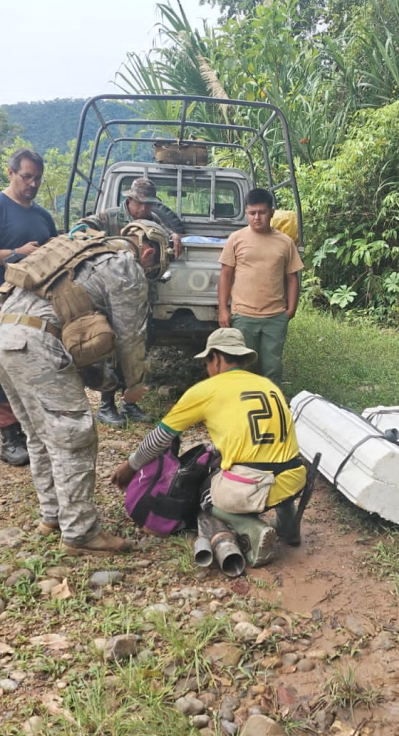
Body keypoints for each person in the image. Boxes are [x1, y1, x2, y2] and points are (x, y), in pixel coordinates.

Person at [0, 222, 170, 555]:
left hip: (1, 335)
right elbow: (130, 336)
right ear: (147, 252)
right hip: (37, 342)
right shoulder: (126, 265)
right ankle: (81, 533)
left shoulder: (83, 247)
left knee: (40, 433)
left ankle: (53, 515)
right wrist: (134, 385)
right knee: (74, 435)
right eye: (152, 267)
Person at [112, 328, 306, 568]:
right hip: (296, 478)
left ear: (216, 357)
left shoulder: (206, 390)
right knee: (271, 464)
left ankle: (253, 528)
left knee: (203, 492)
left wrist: (130, 466)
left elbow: (160, 438)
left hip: (257, 486)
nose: (207, 368)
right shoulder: (267, 385)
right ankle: (288, 525)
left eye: (207, 362)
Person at [0, 148, 58, 467]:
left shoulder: (43, 216)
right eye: (26, 176)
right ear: (11, 173)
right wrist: (15, 254)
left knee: (34, 365)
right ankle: (9, 436)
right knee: (2, 367)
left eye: (37, 178)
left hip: (36, 304)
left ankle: (33, 430)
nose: (32, 183)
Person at [79, 177, 184, 427]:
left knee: (138, 347)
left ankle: (130, 404)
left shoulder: (152, 220)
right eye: (141, 204)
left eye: (149, 205)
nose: (146, 209)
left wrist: (175, 235)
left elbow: (165, 233)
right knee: (112, 349)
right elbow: (81, 229)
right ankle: (106, 406)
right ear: (130, 200)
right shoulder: (110, 216)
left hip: (139, 295)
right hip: (111, 297)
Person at [218, 188, 303, 389]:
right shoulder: (236, 239)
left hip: (274, 318)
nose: (257, 218)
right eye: (252, 213)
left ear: (271, 213)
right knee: (243, 366)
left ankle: (272, 406)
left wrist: (291, 309)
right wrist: (223, 308)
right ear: (246, 212)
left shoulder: (285, 242)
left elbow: (292, 278)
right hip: (243, 316)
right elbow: (226, 275)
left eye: (262, 212)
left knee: (272, 367)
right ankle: (243, 407)